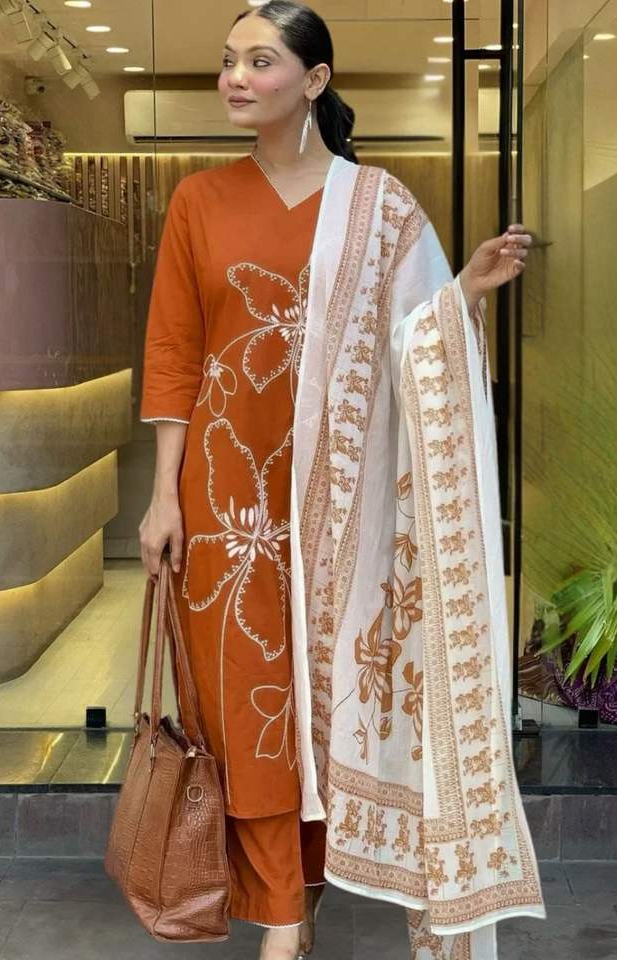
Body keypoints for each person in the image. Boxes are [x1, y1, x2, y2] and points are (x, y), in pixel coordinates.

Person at [138, 3, 545, 959]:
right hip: (226, 501)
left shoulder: (379, 206)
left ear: (314, 80)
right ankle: (282, 914)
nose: (235, 78)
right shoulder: (198, 199)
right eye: (228, 60)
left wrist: (463, 294)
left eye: (259, 61)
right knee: (243, 704)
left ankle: (306, 890)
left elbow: (414, 343)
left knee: (328, 702)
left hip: (344, 509)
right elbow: (174, 351)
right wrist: (163, 495)